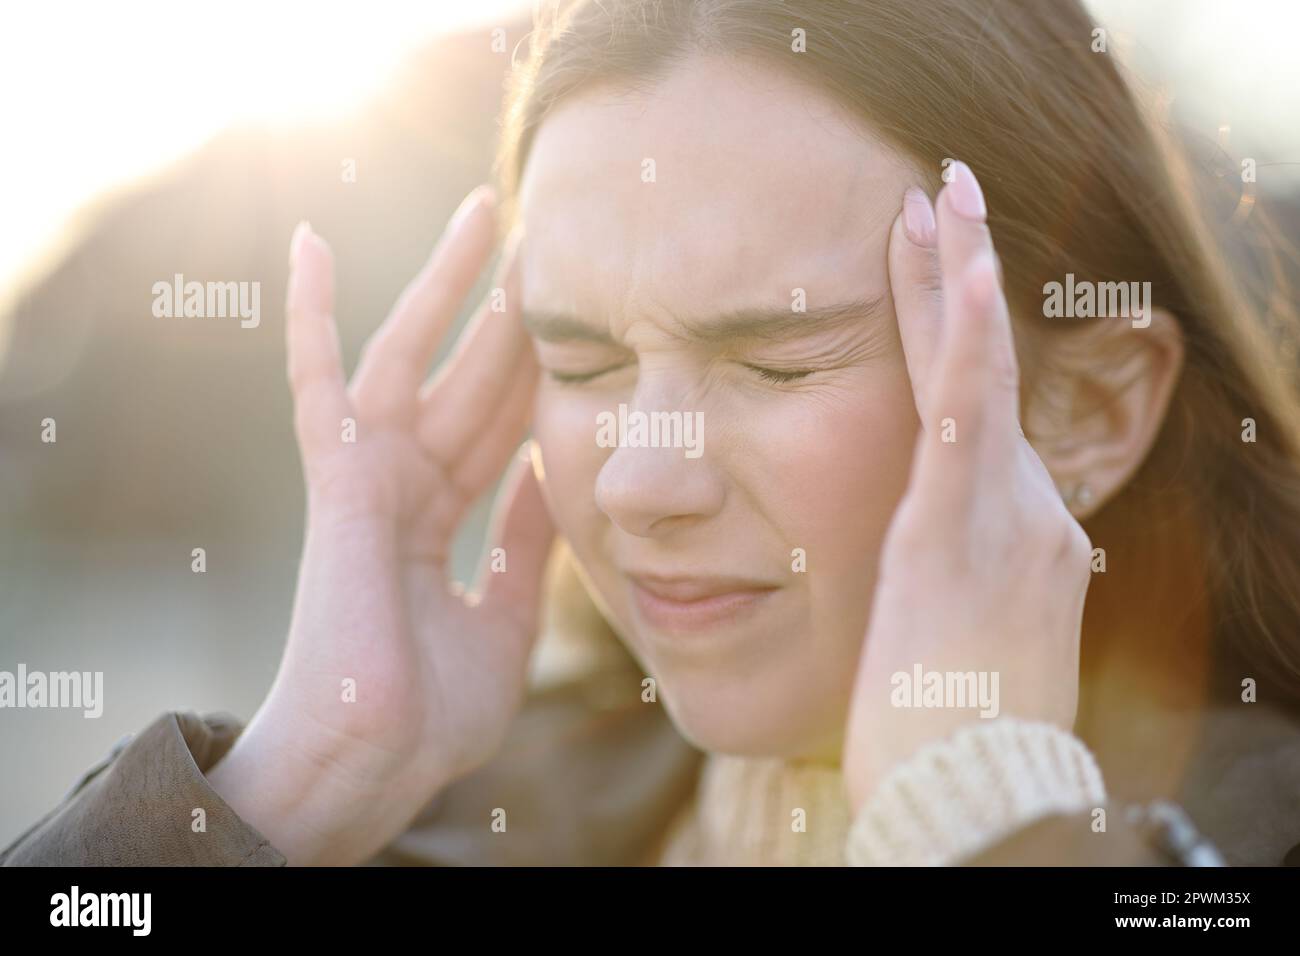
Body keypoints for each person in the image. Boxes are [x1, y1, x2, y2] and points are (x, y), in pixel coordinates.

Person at [6, 0, 1300, 867]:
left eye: (779, 356)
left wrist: (983, 825)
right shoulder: (457, 826)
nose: (637, 480)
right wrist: (302, 779)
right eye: (583, 358)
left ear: (1093, 407)